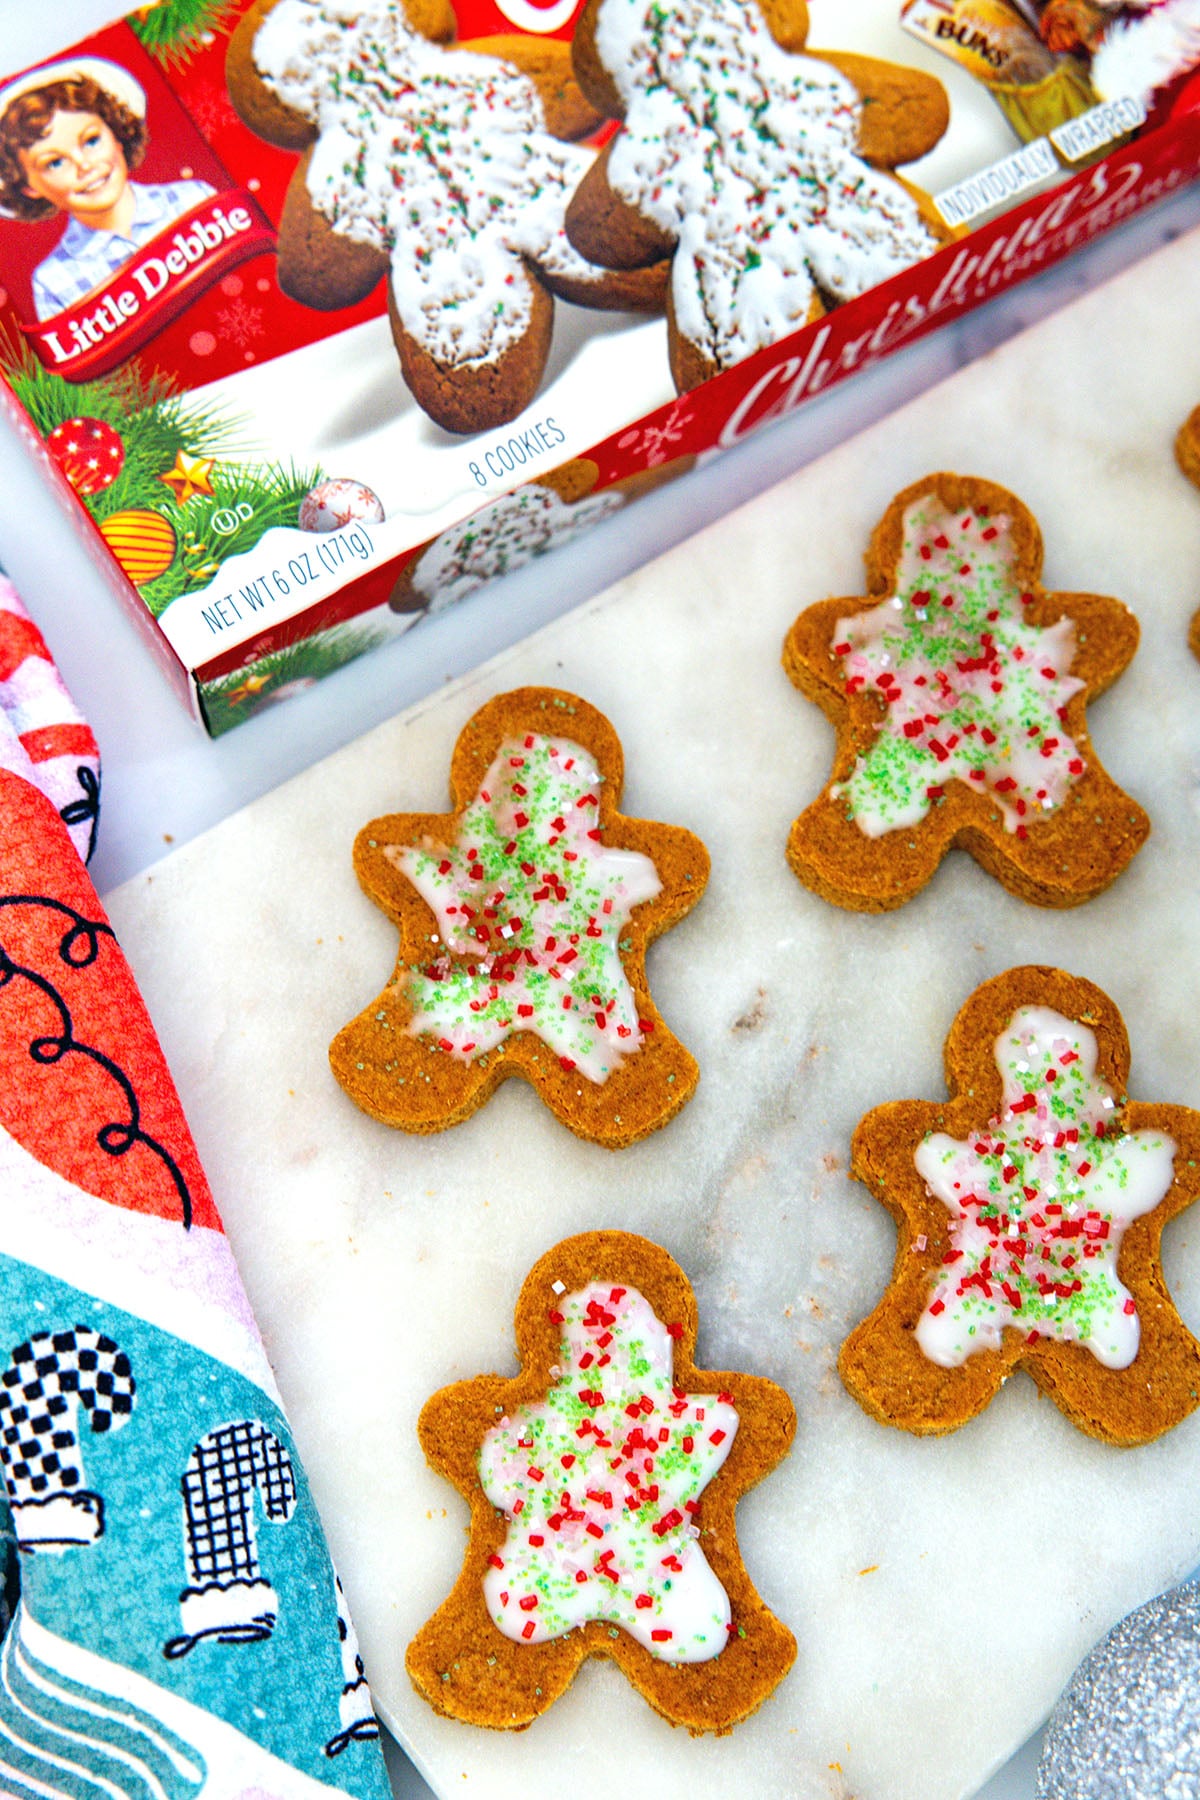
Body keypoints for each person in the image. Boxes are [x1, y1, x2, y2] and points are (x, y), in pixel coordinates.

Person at [0, 56, 214, 321]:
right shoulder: (53, 282)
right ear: (27, 187)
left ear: (116, 134)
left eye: (90, 141)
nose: (84, 165)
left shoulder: (194, 199)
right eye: (54, 162)